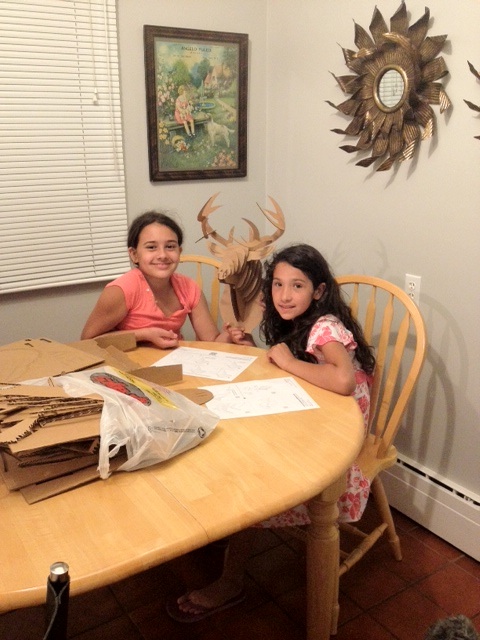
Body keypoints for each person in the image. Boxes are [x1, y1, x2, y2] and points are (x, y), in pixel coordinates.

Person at [166, 243, 376, 622]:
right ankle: (220, 527)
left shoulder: (325, 327)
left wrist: (289, 362)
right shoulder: (300, 322)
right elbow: (302, 368)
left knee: (251, 479)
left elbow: (343, 380)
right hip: (315, 416)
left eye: (297, 285)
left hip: (339, 445)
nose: (284, 295)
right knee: (238, 438)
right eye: (278, 284)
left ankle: (231, 579)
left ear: (319, 291)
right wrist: (260, 350)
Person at [81, 211, 250, 348]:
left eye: (170, 247)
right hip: (127, 368)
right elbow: (87, 341)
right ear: (134, 254)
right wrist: (143, 334)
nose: (162, 255)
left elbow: (211, 342)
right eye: (151, 247)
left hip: (172, 365)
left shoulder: (189, 288)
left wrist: (228, 336)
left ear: (179, 251)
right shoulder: (122, 290)